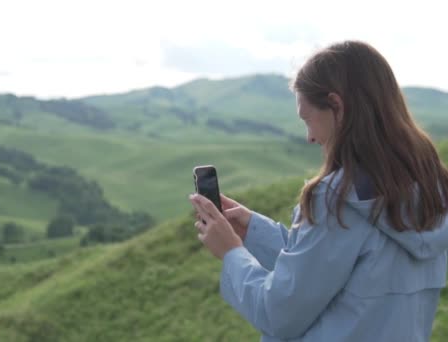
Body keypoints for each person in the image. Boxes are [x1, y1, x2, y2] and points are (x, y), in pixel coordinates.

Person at [189, 40, 448, 341]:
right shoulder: (432, 188)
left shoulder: (337, 200)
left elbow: (277, 314)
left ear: (336, 106)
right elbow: (337, 268)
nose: (310, 137)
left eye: (307, 119)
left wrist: (231, 252)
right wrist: (253, 231)